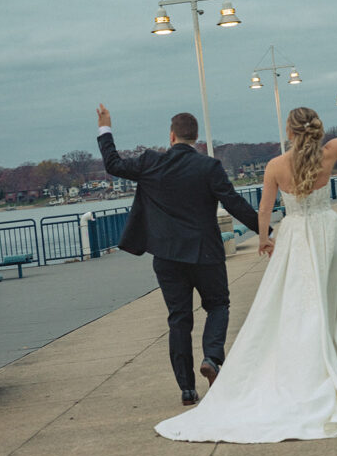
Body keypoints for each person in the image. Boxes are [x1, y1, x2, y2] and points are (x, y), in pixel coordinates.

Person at [154, 86, 337, 443]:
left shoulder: (276, 166)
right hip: (329, 232)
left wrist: (265, 238)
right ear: (314, 129)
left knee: (299, 305)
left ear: (289, 131)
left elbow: (265, 209)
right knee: (336, 297)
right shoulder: (328, 154)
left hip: (297, 235)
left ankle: (318, 365)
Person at [96, 104, 272, 405]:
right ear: (196, 138)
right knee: (218, 305)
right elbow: (233, 203)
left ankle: (187, 390)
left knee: (179, 319)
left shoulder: (151, 162)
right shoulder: (209, 167)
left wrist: (105, 128)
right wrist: (264, 233)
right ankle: (212, 358)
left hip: (166, 256)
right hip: (206, 253)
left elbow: (113, 164)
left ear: (172, 136)